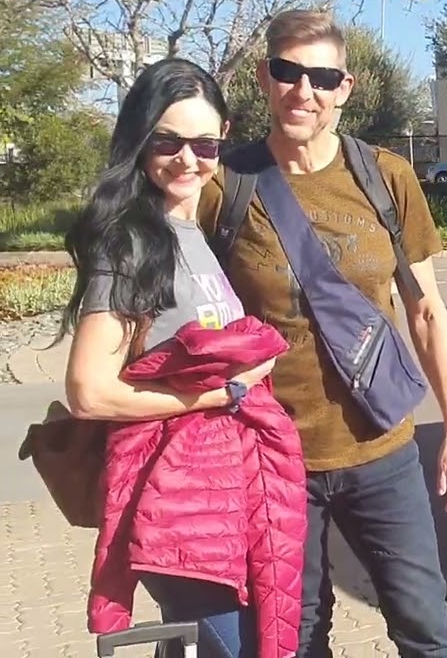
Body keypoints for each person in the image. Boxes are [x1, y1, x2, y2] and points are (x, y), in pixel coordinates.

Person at [196, 9, 447, 658]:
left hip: (382, 452)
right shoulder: (223, 186)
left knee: (426, 631)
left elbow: (427, 311)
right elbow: (182, 309)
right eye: (289, 72)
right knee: (294, 639)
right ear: (265, 78)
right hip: (271, 460)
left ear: (345, 88)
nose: (305, 91)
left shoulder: (386, 177)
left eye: (322, 77)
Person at [60, 57, 284, 658]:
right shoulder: (130, 240)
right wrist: (224, 392)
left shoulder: (191, 233)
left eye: (205, 142)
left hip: (217, 494)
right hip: (174, 498)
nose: (189, 159)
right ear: (140, 139)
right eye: (169, 141)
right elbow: (90, 391)